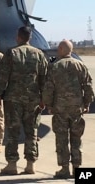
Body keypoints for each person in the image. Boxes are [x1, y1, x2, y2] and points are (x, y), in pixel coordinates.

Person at [0, 26, 48, 175]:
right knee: (32, 132)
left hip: (13, 99)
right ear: (29, 38)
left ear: (18, 37)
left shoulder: (11, 53)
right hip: (33, 99)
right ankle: (30, 164)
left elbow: (3, 77)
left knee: (13, 131)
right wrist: (44, 98)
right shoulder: (39, 54)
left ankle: (12, 165)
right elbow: (45, 78)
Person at [42, 39, 94, 179]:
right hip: (76, 108)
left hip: (60, 110)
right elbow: (88, 87)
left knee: (62, 139)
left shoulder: (55, 67)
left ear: (60, 49)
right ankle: (77, 168)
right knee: (76, 138)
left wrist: (49, 106)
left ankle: (64, 169)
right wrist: (87, 103)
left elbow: (48, 89)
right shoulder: (80, 65)